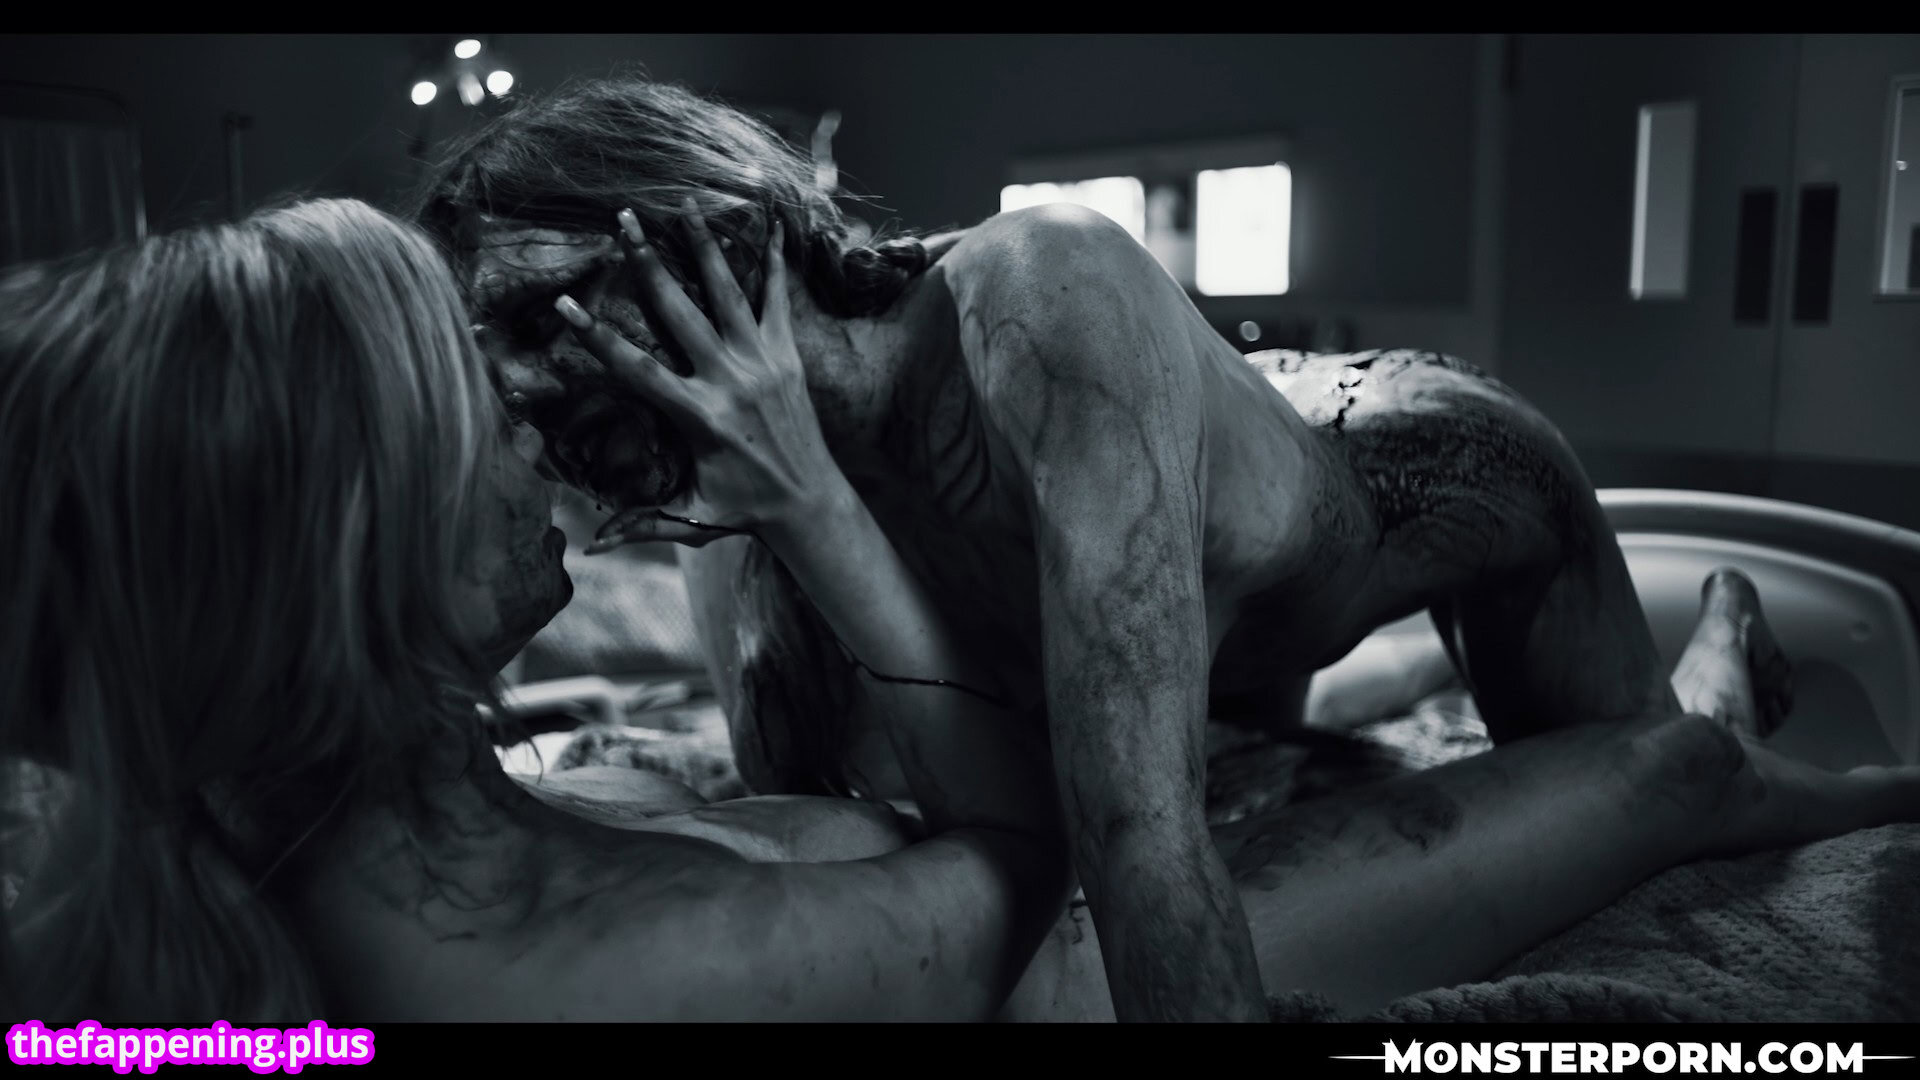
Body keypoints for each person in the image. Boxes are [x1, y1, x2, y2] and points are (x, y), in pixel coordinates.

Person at [1, 197, 1910, 1024]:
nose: (535, 440)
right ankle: (1721, 733)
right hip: (1056, 973)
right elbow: (1046, 857)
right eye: (469, 417)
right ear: (335, 574)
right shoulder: (560, 973)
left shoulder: (303, 813)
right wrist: (813, 501)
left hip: (1026, 839)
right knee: (1655, 772)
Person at [418, 76, 1869, 1021]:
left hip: (1424, 472)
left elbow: (1141, 849)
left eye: (536, 334)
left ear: (694, 240)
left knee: (1675, 763)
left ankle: (1726, 676)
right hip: (1200, 581)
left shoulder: (1037, 294)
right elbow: (899, 847)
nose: (525, 413)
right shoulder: (735, 489)